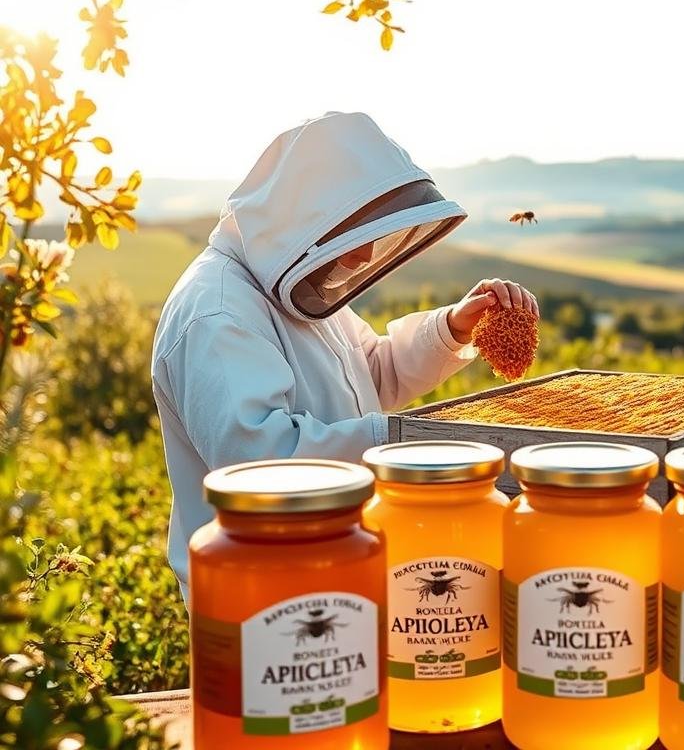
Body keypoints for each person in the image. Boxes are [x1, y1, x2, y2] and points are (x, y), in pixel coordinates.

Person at [151, 112, 537, 600]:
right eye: (354, 233)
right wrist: (402, 442)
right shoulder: (217, 311)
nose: (363, 255)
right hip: (263, 593)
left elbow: (370, 375)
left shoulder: (296, 282)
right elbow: (263, 462)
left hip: (337, 570)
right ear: (304, 218)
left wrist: (455, 325)